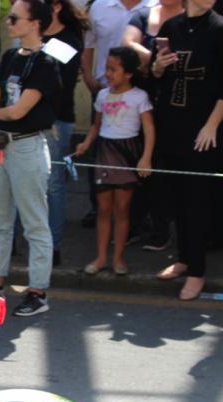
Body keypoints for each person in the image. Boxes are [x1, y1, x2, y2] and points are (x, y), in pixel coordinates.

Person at [0, 0, 61, 316]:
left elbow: (20, 109)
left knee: (35, 222)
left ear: (35, 22)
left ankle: (38, 291)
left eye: (14, 18)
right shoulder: (10, 56)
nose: (8, 23)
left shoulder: (47, 61)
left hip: (25, 146)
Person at [151, 0, 223, 300]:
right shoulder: (171, 26)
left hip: (204, 129)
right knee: (176, 197)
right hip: (171, 123)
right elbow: (154, 75)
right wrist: (157, 68)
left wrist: (212, 124)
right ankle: (184, 258)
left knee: (198, 201)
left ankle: (197, 271)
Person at [74, 46, 154, 275]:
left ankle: (118, 258)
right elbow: (96, 126)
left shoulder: (139, 96)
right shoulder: (102, 95)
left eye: (113, 69)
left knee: (122, 210)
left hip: (127, 154)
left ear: (129, 73)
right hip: (104, 152)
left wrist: (146, 157)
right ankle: (100, 258)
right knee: (103, 209)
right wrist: (86, 143)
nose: (107, 73)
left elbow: (149, 129)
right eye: (106, 68)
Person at [81, 0, 154, 227]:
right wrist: (89, 78)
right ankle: (99, 208)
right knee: (100, 152)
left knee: (137, 153)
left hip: (142, 91)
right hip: (104, 91)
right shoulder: (99, 6)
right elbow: (89, 45)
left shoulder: (153, 6)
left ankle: (137, 215)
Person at [121, 0, 183, 252]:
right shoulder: (144, 14)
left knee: (163, 167)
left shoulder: (188, 20)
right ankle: (136, 224)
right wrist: (152, 55)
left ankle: (162, 228)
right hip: (142, 94)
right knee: (136, 162)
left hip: (175, 101)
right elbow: (127, 43)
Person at [43, 0, 87, 266]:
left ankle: (54, 246)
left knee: (53, 184)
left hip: (56, 122)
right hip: (26, 122)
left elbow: (60, 84)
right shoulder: (30, 36)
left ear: (56, 6)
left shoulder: (68, 40)